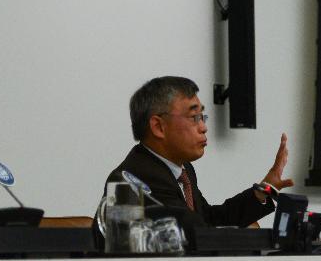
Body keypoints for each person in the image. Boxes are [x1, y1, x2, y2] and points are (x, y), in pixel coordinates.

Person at [98, 76, 293, 231]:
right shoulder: (135, 176)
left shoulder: (181, 171)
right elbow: (198, 233)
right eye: (194, 118)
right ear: (158, 126)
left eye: (202, 117)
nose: (203, 127)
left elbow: (208, 219)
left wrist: (265, 190)